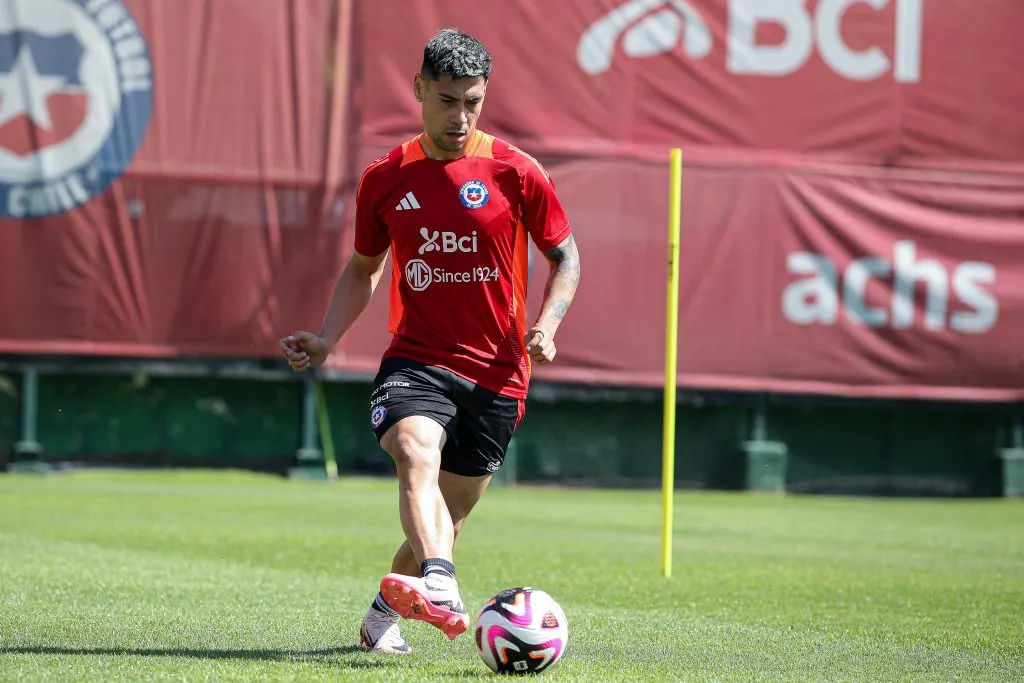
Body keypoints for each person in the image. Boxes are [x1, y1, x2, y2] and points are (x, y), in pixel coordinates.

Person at [279, 27, 581, 655]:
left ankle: (384, 612)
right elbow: (364, 268)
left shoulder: (517, 171)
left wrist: (547, 325)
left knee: (447, 514)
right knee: (415, 451)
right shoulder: (385, 178)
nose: (460, 116)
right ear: (418, 89)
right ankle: (442, 582)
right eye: (447, 100)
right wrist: (328, 338)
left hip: (498, 374)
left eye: (472, 102)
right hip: (416, 360)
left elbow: (566, 257)